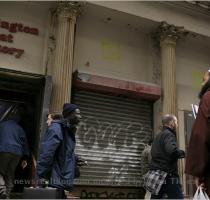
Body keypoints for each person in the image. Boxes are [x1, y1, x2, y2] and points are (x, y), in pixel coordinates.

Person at [37, 103, 82, 196]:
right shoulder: (56, 129)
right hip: (54, 181)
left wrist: (75, 159)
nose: (80, 116)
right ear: (69, 114)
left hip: (60, 181)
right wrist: (41, 176)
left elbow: (64, 153)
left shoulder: (67, 130)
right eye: (77, 114)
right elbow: (46, 154)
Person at [144, 114, 185, 199]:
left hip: (156, 175)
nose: (177, 124)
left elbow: (154, 153)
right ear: (171, 122)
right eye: (176, 122)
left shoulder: (158, 136)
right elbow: (171, 150)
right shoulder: (169, 134)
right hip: (168, 175)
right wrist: (183, 153)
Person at [185, 69, 210, 195]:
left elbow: (200, 135)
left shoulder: (208, 98)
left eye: (204, 80)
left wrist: (198, 172)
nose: (201, 85)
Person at [0, 105, 29, 198]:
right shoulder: (20, 128)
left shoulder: (2, 125)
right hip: (17, 153)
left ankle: (2, 190)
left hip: (4, 150)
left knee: (0, 172)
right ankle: (7, 195)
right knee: (10, 173)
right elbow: (25, 143)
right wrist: (25, 158)